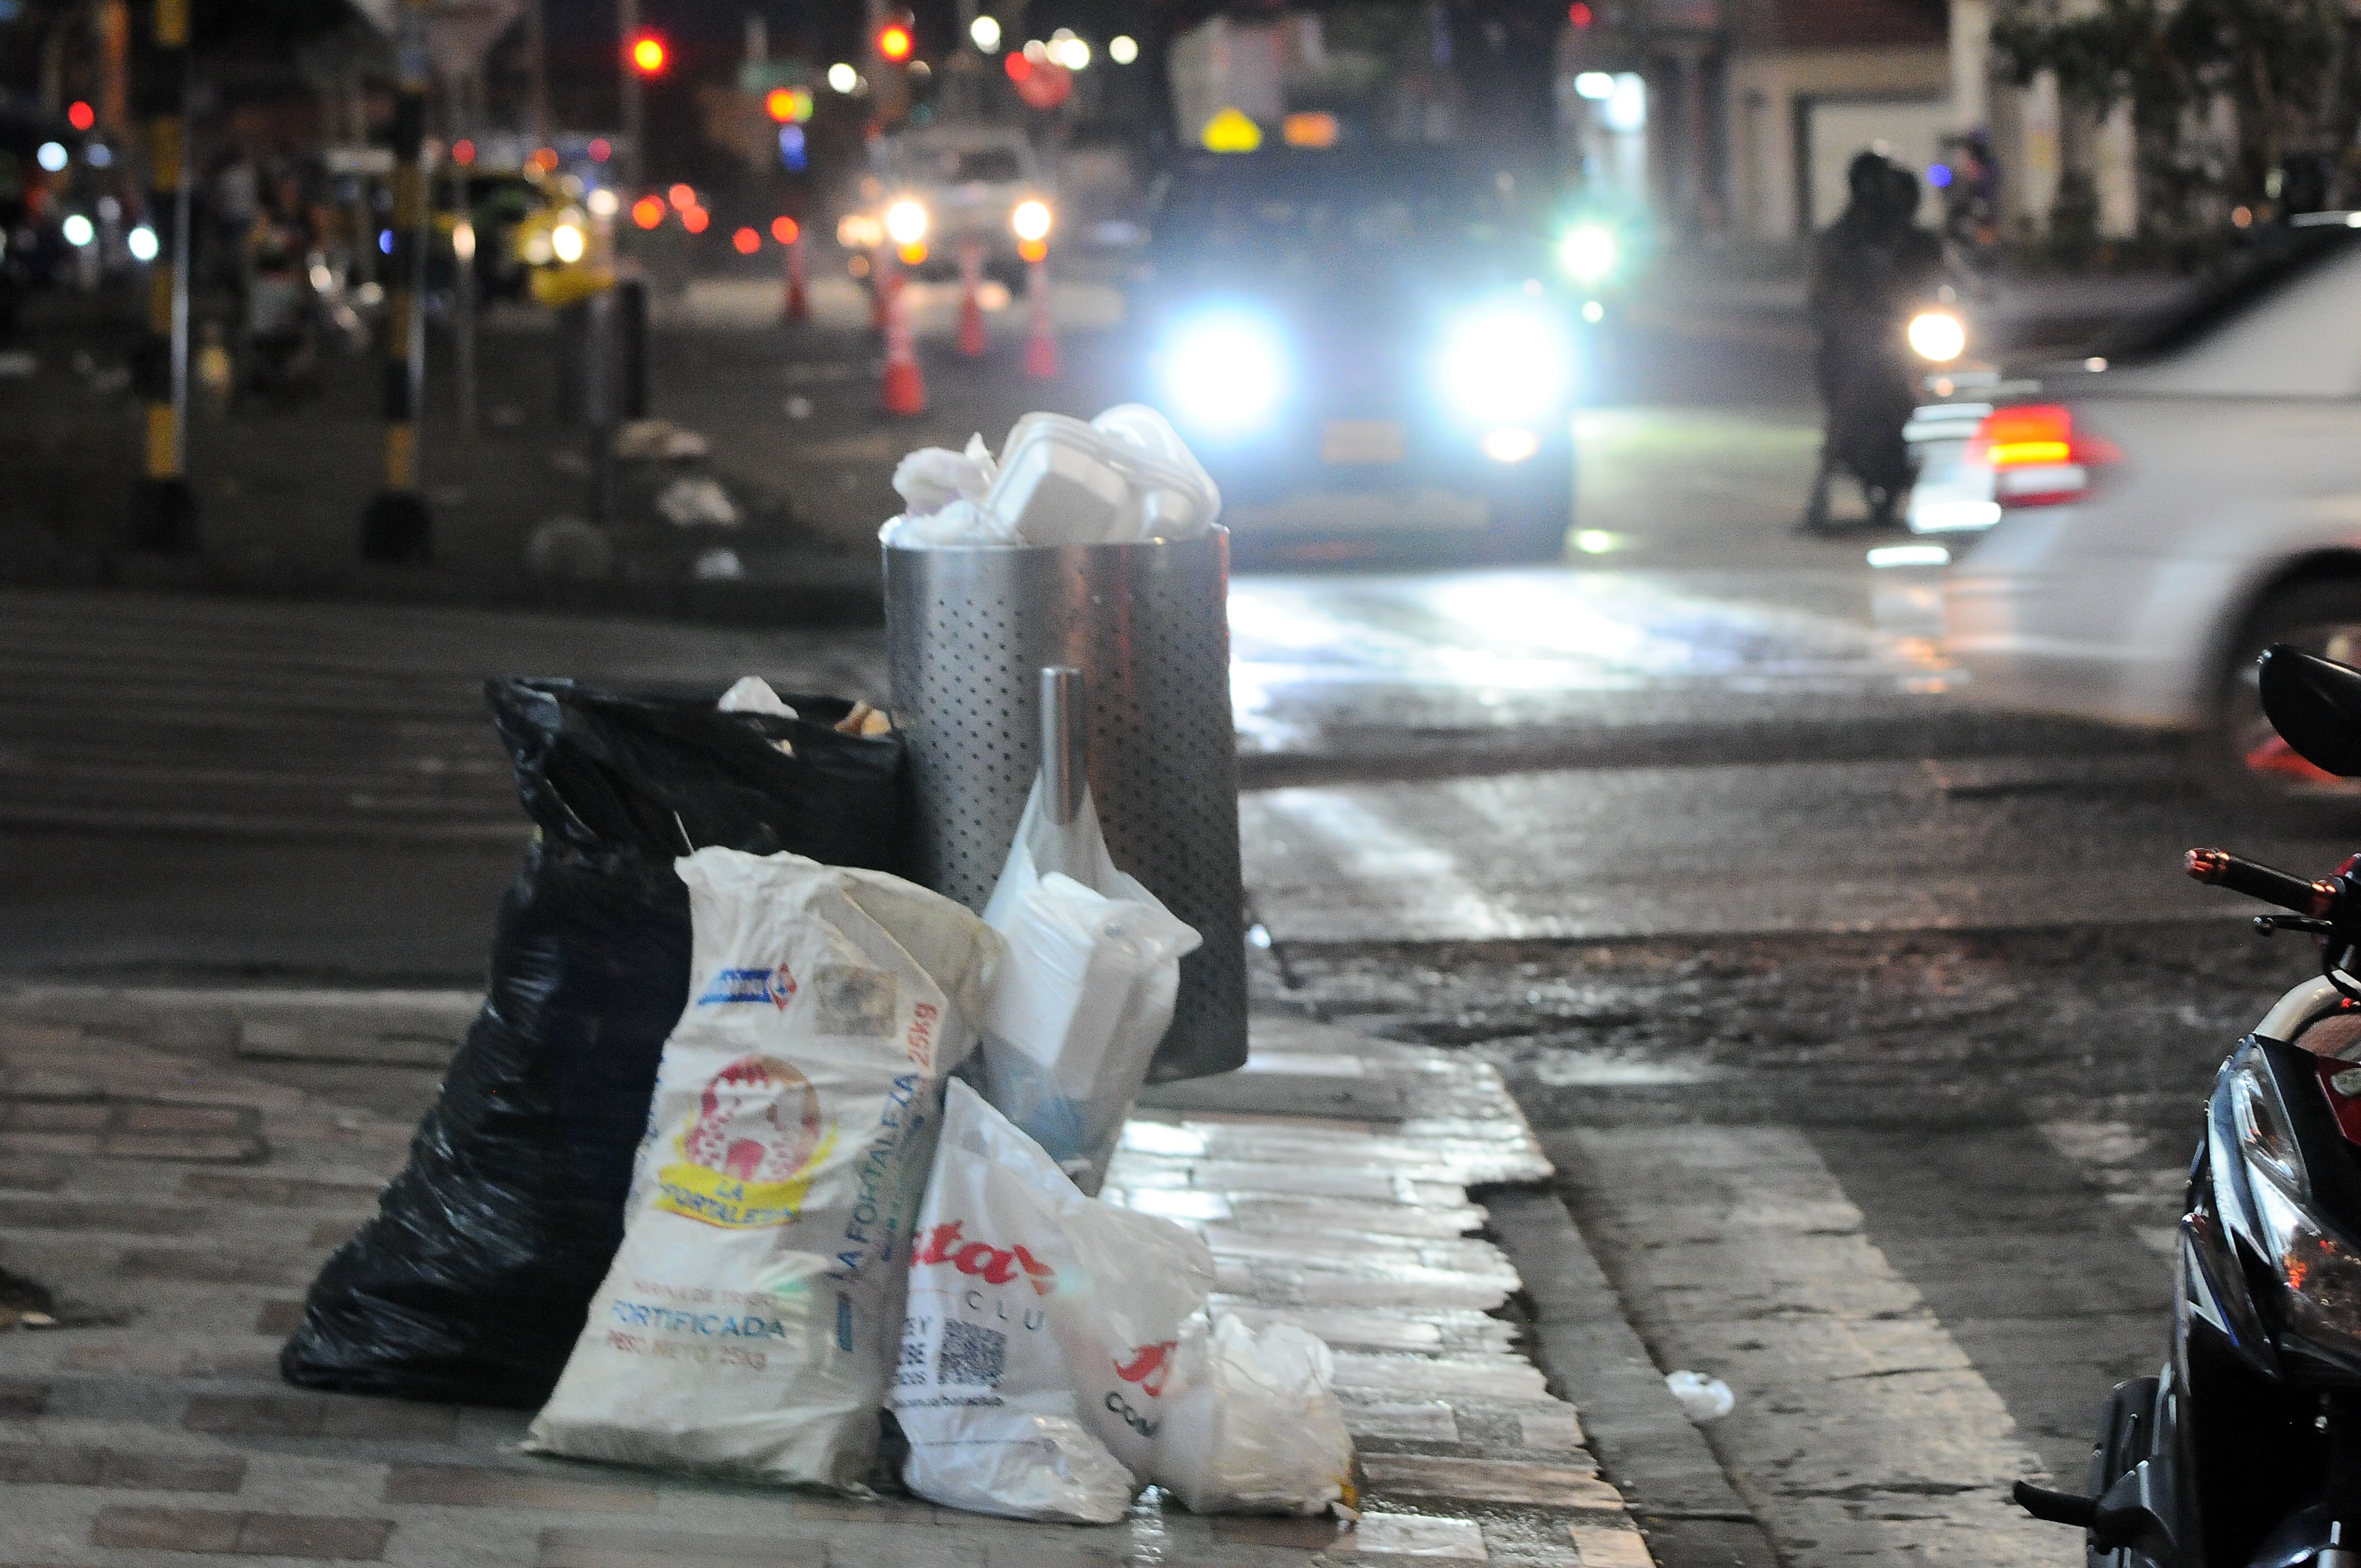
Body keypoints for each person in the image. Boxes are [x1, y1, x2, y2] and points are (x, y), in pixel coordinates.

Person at [1803, 151, 1943, 531]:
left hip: (1902, 338)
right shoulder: (1840, 240)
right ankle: (1820, 493)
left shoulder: (1912, 239)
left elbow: (1937, 279)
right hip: (1853, 345)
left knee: (1939, 391)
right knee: (1846, 405)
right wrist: (1845, 322)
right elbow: (1823, 295)